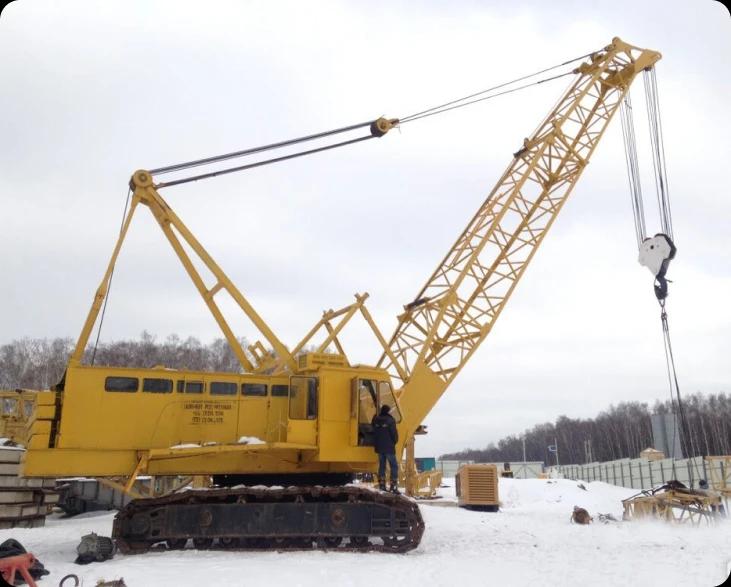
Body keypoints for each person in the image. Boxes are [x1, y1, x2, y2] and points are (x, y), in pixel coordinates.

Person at [372, 404, 399, 493]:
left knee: (382, 466)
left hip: (379, 447)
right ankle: (393, 486)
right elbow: (394, 435)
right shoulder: (390, 420)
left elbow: (373, 429)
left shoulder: (375, 420)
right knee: (393, 466)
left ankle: (382, 485)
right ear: (388, 411)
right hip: (389, 447)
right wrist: (394, 442)